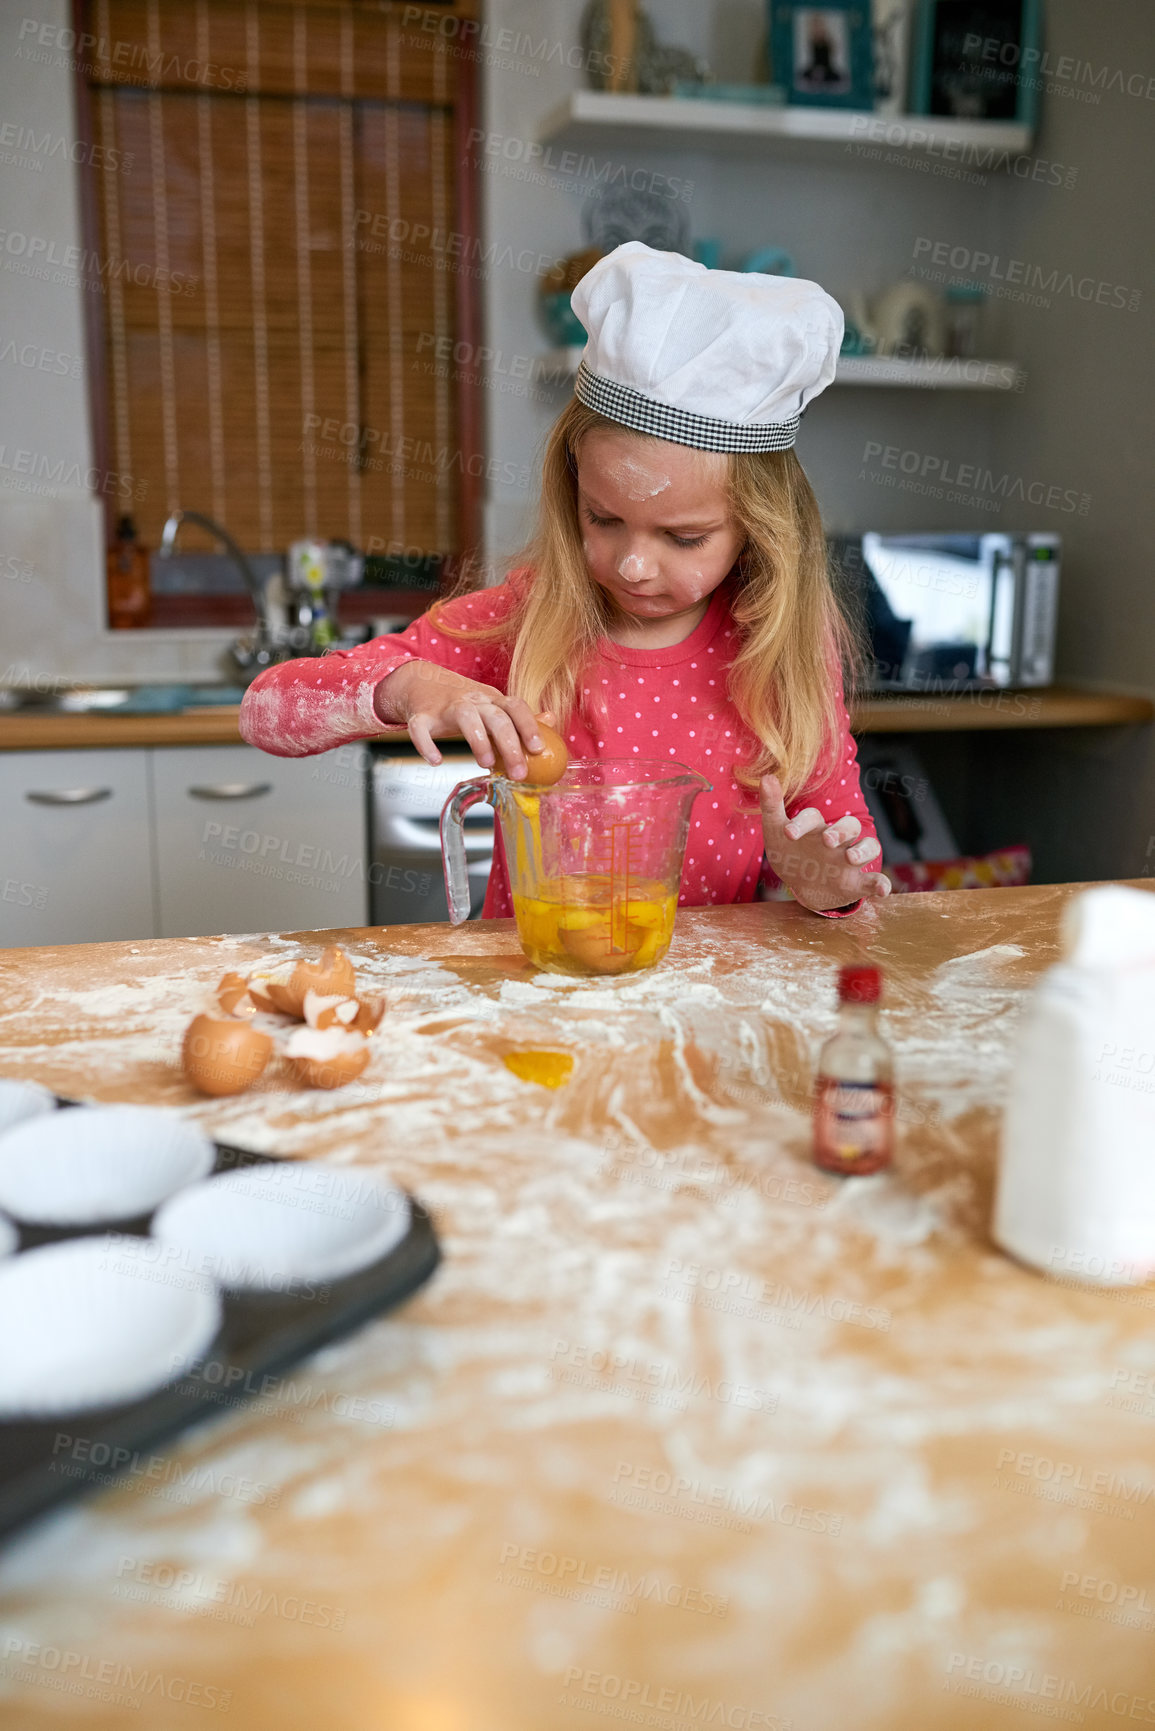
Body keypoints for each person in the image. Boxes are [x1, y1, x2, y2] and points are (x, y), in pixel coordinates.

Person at [240, 242, 887, 919]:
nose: (633, 564)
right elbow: (267, 713)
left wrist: (827, 889)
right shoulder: (530, 618)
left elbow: (851, 863)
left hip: (702, 1008)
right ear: (570, 489)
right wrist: (408, 686)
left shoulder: (782, 648)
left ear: (760, 529)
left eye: (682, 537)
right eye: (603, 519)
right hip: (537, 994)